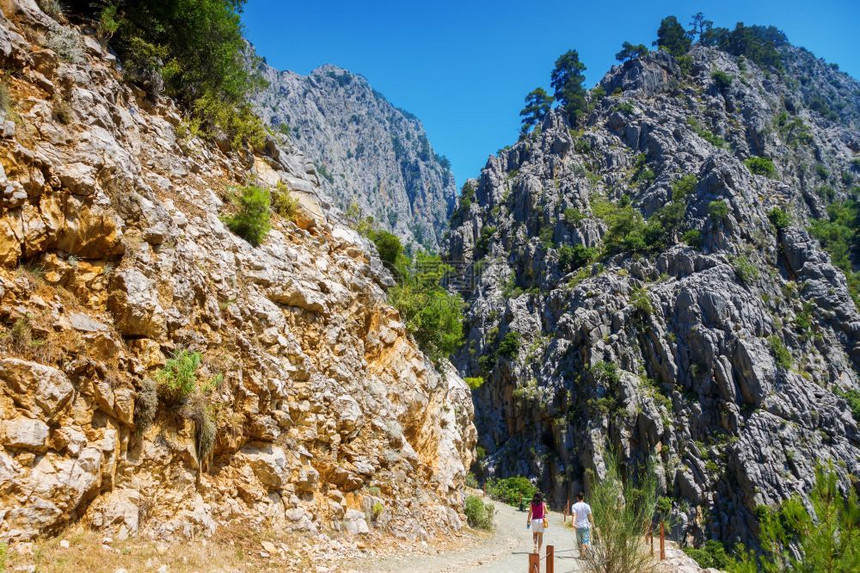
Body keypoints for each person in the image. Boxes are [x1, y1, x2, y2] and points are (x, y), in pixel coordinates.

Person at [572, 491, 595, 558]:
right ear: (583, 498)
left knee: (579, 541)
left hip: (578, 526)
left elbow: (574, 515)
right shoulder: (587, 506)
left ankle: (582, 555)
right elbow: (590, 516)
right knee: (584, 541)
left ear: (577, 498)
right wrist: (593, 525)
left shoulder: (574, 506)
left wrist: (573, 523)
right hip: (585, 526)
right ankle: (585, 553)